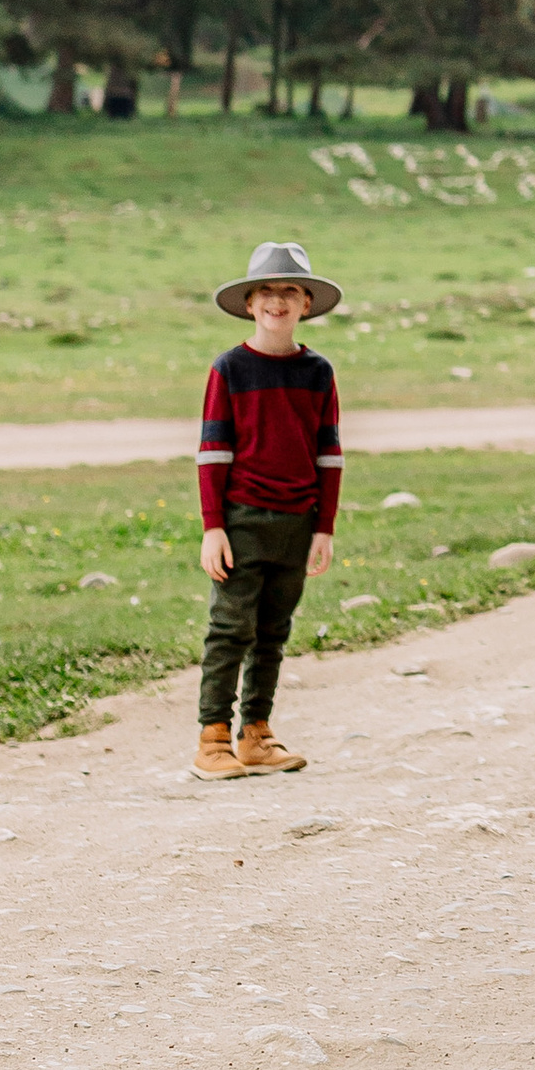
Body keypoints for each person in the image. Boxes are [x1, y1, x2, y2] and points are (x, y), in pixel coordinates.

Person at [192, 238, 343, 781]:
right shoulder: (229, 369)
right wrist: (214, 527)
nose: (278, 301)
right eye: (266, 292)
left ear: (306, 304)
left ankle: (256, 734)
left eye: (290, 292)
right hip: (242, 521)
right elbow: (213, 453)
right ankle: (212, 740)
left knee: (273, 631)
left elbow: (329, 455)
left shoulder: (318, 373)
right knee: (230, 628)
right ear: (250, 303)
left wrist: (323, 527)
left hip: (298, 523)